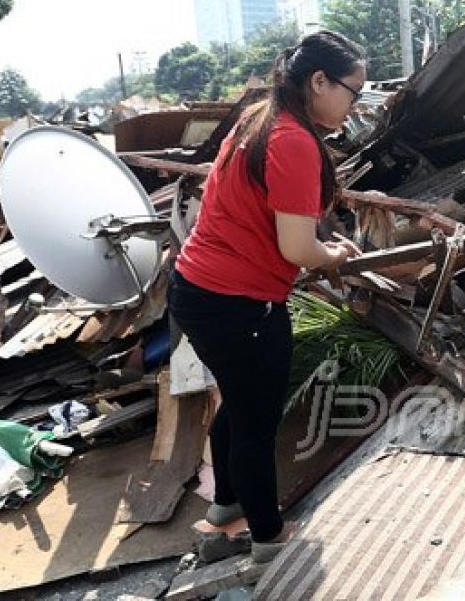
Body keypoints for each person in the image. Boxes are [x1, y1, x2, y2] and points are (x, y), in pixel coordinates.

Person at [167, 30, 365, 563]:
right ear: (319, 81)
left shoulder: (260, 118)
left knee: (237, 404)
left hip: (196, 289)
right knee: (256, 423)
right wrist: (334, 256)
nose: (355, 105)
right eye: (353, 91)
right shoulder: (295, 141)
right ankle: (268, 539)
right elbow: (297, 246)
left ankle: (225, 508)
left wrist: (313, 245)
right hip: (237, 303)